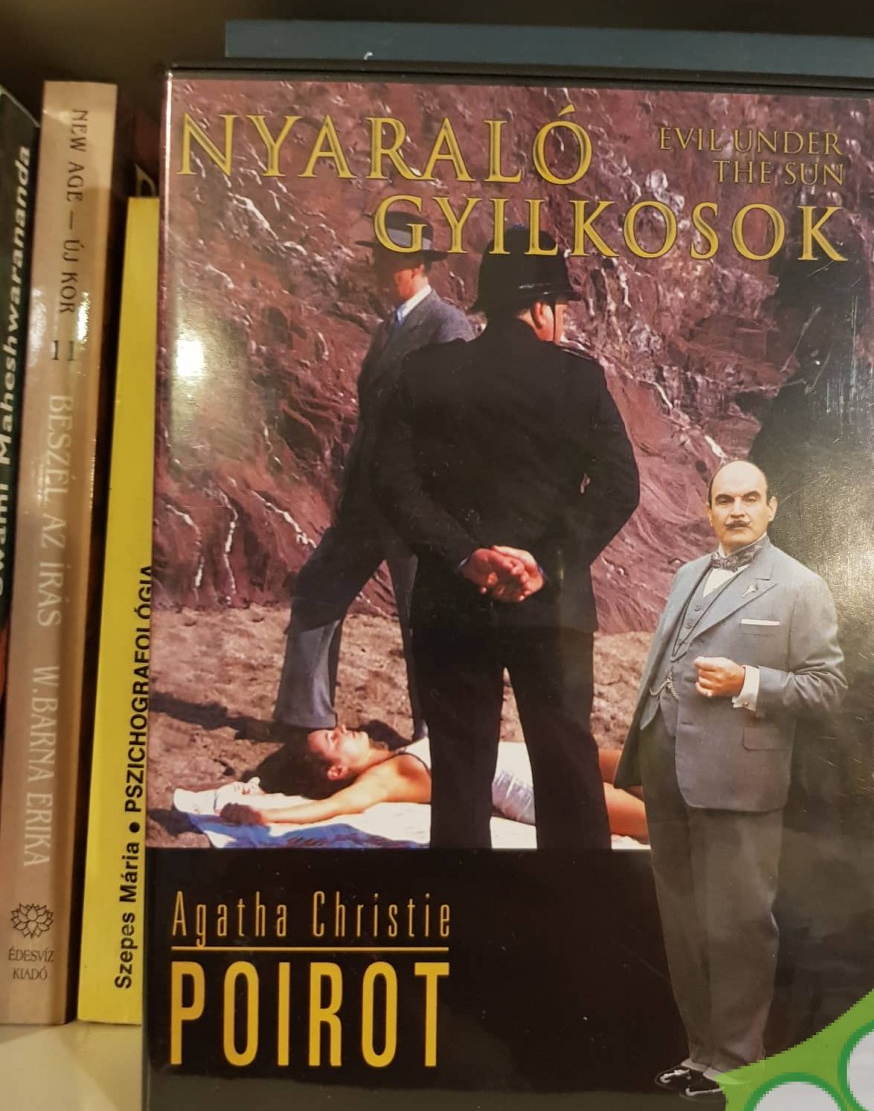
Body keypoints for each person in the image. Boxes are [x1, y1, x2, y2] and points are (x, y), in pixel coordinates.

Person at [371, 226, 640, 850]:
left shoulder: (424, 373)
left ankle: (469, 898)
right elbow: (618, 487)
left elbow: (392, 485)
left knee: (460, 764)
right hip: (551, 607)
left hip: (451, 602)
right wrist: (543, 562)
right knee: (567, 759)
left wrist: (466, 555)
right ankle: (574, 899)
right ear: (542, 307)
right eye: (561, 307)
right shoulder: (579, 380)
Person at [615, 460, 846, 1099]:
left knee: (740, 925)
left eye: (749, 498)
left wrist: (749, 682)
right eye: (725, 500)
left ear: (772, 507)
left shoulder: (800, 585)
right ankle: (702, 1055)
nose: (737, 510)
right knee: (684, 921)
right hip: (668, 769)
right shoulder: (688, 573)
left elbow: (828, 687)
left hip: (741, 778)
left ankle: (738, 1064)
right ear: (709, 510)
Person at [272, 209, 474, 739]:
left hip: (414, 505)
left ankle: (434, 735)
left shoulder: (447, 325)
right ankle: (304, 718)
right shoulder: (388, 328)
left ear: (417, 265)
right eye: (379, 259)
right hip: (366, 500)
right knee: (317, 588)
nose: (379, 269)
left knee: (420, 618)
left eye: (389, 260)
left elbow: (454, 423)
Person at [212, 725, 648, 842]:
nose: (341, 728)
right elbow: (338, 807)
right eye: (332, 738)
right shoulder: (386, 776)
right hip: (530, 787)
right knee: (663, 820)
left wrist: (258, 784)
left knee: (657, 767)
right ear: (336, 772)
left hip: (539, 757)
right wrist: (266, 814)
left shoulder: (396, 754)